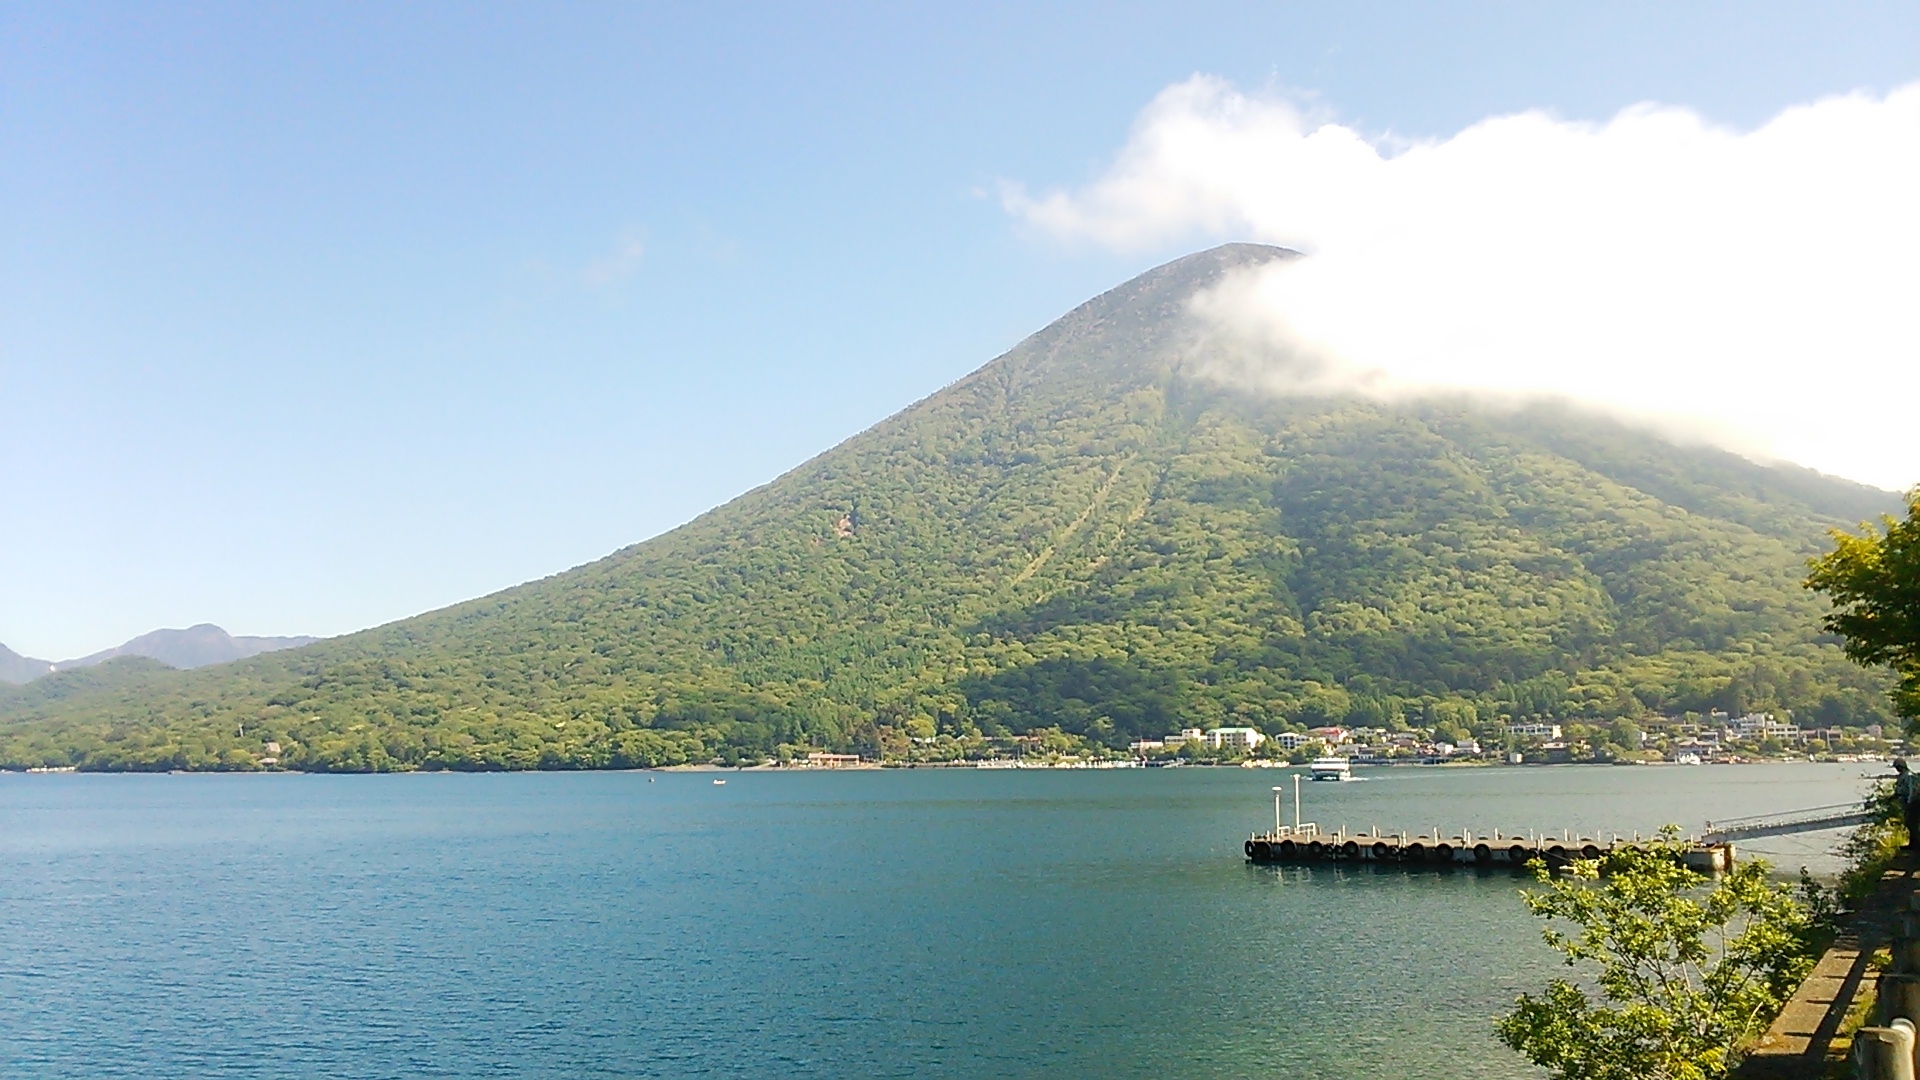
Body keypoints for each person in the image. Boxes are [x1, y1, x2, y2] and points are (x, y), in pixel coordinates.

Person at [1896, 758, 1920, 850]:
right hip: (1906, 802)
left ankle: (1915, 844)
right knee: (1908, 823)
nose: (1897, 769)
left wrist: (1910, 802)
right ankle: (1913, 843)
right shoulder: (1902, 776)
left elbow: (1912, 790)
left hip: (1912, 803)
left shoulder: (1909, 776)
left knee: (1912, 823)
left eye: (1897, 767)